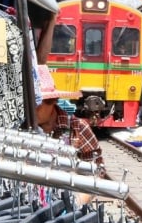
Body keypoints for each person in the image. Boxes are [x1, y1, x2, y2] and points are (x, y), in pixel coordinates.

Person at [35, 65, 105, 204]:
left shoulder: (77, 127)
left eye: (37, 103)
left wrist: (77, 202)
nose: (31, 109)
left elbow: (96, 172)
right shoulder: (21, 127)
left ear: (52, 102)